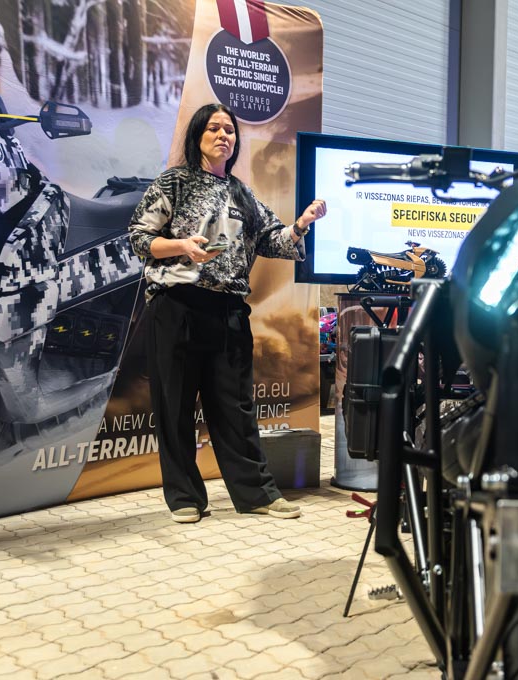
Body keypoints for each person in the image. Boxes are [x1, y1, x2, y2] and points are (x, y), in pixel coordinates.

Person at [128, 103, 327, 524]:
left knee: (235, 407)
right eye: (214, 128)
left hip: (229, 309)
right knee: (175, 404)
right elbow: (139, 238)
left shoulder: (241, 193)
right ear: (197, 136)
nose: (224, 136)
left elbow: (273, 241)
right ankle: (184, 497)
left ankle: (256, 494)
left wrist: (301, 224)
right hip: (176, 304)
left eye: (230, 130)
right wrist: (182, 246)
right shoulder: (174, 182)